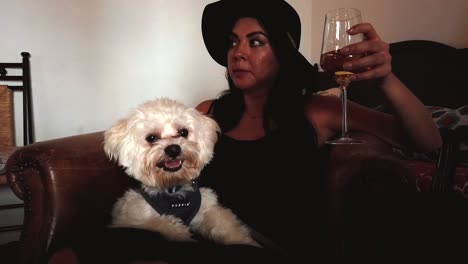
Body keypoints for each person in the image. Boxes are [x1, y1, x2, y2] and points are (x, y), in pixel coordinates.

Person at [52, 0, 441, 263]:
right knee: (73, 252)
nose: (238, 52)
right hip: (198, 238)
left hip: (263, 249)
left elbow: (427, 141)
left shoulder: (318, 109)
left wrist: (388, 79)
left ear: (283, 53)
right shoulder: (207, 113)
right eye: (233, 42)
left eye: (256, 42)